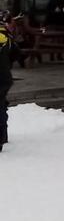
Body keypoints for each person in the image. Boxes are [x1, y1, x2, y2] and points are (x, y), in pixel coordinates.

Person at [0, 21, 13, 152]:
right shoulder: (6, 37)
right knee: (1, 108)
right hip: (4, 78)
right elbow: (16, 52)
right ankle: (3, 137)